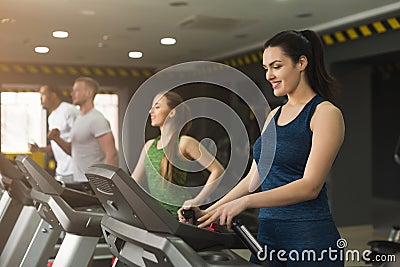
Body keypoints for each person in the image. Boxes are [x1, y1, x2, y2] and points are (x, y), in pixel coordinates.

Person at [181, 30, 345, 266]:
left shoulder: (325, 113)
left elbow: (310, 186)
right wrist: (208, 211)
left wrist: (246, 203)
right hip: (268, 238)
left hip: (309, 238)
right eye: (266, 68)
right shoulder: (274, 116)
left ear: (301, 63)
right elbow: (253, 180)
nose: (269, 75)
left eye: (276, 66)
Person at [131, 91, 224, 218]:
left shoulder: (184, 142)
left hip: (180, 216)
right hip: (157, 216)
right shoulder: (149, 145)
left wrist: (197, 200)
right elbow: (133, 182)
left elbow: (217, 170)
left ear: (172, 112)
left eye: (157, 107)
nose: (150, 111)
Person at [48, 77, 119, 192]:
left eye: (76, 90)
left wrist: (107, 187)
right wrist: (57, 139)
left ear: (88, 93)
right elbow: (73, 151)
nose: (72, 94)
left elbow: (112, 155)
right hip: (80, 182)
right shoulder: (79, 119)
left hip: (94, 184)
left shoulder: (97, 119)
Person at [29, 85, 79, 183]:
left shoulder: (69, 110)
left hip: (74, 171)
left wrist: (56, 138)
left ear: (53, 95)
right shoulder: (52, 116)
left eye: (43, 94)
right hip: (61, 172)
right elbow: (56, 145)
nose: (40, 98)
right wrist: (39, 149)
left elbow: (80, 145)